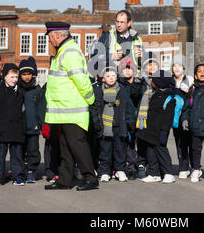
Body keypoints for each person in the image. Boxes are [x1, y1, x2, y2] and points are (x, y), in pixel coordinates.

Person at [43, 22, 98, 191]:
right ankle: (64, 180)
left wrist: (90, 99)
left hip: (72, 109)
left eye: (50, 37)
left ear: (57, 36)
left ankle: (90, 178)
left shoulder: (70, 52)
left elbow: (81, 80)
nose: (50, 41)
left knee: (77, 145)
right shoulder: (64, 51)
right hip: (65, 110)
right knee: (66, 146)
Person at [92, 64, 136, 182]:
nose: (111, 78)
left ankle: (120, 170)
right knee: (105, 150)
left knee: (120, 149)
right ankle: (105, 171)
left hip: (119, 124)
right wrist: (96, 121)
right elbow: (94, 108)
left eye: (113, 75)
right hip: (105, 125)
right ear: (103, 78)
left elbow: (129, 107)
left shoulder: (122, 90)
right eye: (108, 76)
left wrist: (131, 121)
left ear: (116, 77)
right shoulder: (98, 91)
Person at [136, 70, 179, 184]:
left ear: (159, 83)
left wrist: (164, 131)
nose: (151, 82)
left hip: (160, 130)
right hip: (150, 128)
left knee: (161, 151)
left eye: (153, 80)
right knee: (150, 151)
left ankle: (168, 173)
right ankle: (154, 173)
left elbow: (168, 117)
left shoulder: (169, 97)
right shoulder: (155, 93)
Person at [0, 63, 26, 186]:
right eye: (11, 77)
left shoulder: (20, 92)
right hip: (1, 128)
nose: (14, 80)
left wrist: (23, 127)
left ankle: (18, 176)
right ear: (4, 76)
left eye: (16, 77)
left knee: (17, 154)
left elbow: (24, 111)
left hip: (16, 128)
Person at [90, 10, 144, 75]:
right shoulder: (107, 36)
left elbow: (144, 65)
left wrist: (142, 58)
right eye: (117, 22)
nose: (118, 25)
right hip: (114, 80)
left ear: (129, 23)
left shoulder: (137, 39)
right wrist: (111, 56)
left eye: (122, 22)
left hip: (134, 80)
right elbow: (94, 57)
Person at [118, 56, 144, 180]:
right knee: (125, 144)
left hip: (136, 118)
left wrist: (136, 83)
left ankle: (137, 166)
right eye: (125, 69)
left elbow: (137, 94)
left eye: (130, 69)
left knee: (135, 144)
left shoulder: (138, 84)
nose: (127, 71)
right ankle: (126, 167)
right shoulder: (119, 84)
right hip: (123, 118)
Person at [18, 57, 42, 184]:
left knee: (33, 150)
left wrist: (41, 124)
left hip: (33, 127)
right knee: (20, 150)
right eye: (24, 74)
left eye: (29, 74)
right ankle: (20, 170)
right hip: (20, 127)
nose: (27, 77)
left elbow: (41, 108)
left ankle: (31, 170)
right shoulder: (17, 90)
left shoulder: (37, 90)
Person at [171, 56, 194, 179]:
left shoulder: (189, 81)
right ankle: (183, 167)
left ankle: (195, 166)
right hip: (175, 118)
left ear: (184, 68)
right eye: (175, 66)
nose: (177, 68)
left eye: (179, 65)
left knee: (191, 142)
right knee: (180, 143)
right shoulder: (170, 82)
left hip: (188, 115)